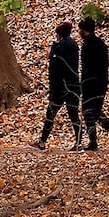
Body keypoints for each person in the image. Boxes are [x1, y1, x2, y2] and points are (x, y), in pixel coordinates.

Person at [33, 22, 82, 151]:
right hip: (74, 85)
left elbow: (55, 71)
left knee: (51, 114)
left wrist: (53, 88)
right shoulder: (74, 47)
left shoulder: (59, 49)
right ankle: (78, 142)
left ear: (59, 34)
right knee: (74, 115)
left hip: (61, 88)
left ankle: (42, 142)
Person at [78, 16, 109, 150]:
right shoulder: (101, 44)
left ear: (84, 30)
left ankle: (93, 141)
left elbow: (85, 67)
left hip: (90, 82)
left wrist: (82, 83)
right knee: (96, 111)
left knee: (87, 111)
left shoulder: (87, 46)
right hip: (102, 82)